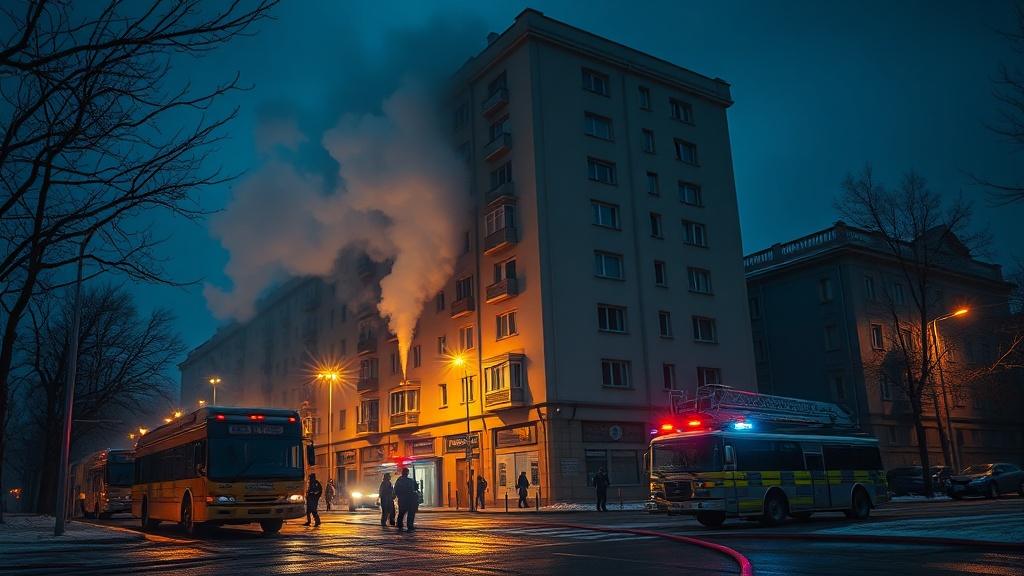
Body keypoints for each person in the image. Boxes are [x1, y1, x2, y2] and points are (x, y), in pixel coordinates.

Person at [394, 467, 418, 532]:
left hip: (402, 499)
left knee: (401, 512)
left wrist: (397, 496)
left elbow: (395, 490)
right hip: (409, 499)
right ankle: (410, 526)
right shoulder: (410, 480)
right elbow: (416, 488)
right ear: (407, 473)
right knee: (410, 513)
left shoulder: (399, 480)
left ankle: (399, 524)